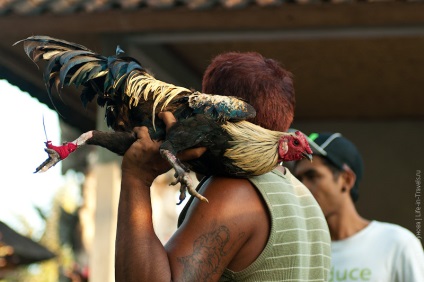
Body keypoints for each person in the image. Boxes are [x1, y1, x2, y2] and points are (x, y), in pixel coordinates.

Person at [115, 52, 331, 281]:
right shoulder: (308, 203)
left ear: (222, 114)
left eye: (199, 110)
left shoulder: (235, 192)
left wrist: (137, 177)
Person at [293, 132, 424, 282]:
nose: (301, 187)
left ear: (346, 180)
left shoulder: (396, 243)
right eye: (298, 179)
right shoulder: (300, 253)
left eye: (312, 176)